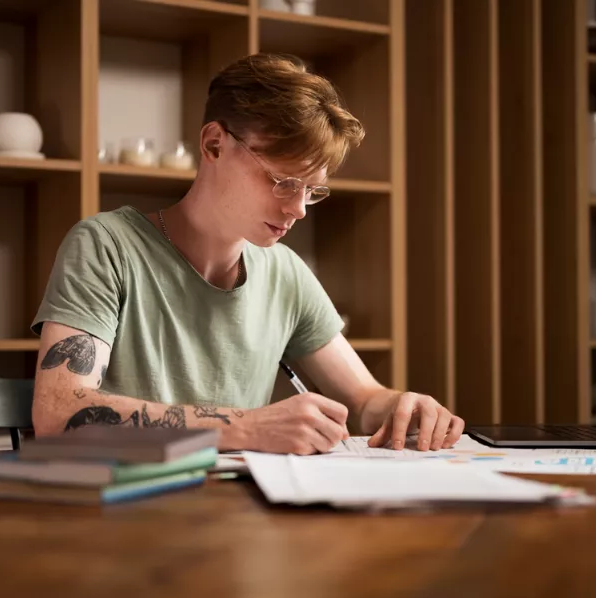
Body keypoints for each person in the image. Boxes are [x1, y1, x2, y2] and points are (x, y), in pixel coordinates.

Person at [30, 52, 465, 454]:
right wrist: (245, 427)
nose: (297, 209)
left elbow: (366, 399)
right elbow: (58, 412)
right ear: (215, 144)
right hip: (128, 515)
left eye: (312, 191)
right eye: (283, 181)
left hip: (245, 518)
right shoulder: (107, 246)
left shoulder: (285, 273)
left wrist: (402, 408)